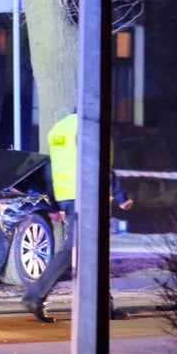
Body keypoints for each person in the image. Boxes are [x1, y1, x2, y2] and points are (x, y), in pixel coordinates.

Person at [21, 113, 133, 317]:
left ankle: (102, 308)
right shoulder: (91, 125)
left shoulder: (60, 127)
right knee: (74, 251)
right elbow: (101, 165)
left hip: (67, 197)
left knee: (92, 253)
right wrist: (120, 196)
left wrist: (54, 205)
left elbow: (50, 169)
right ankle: (34, 295)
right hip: (88, 196)